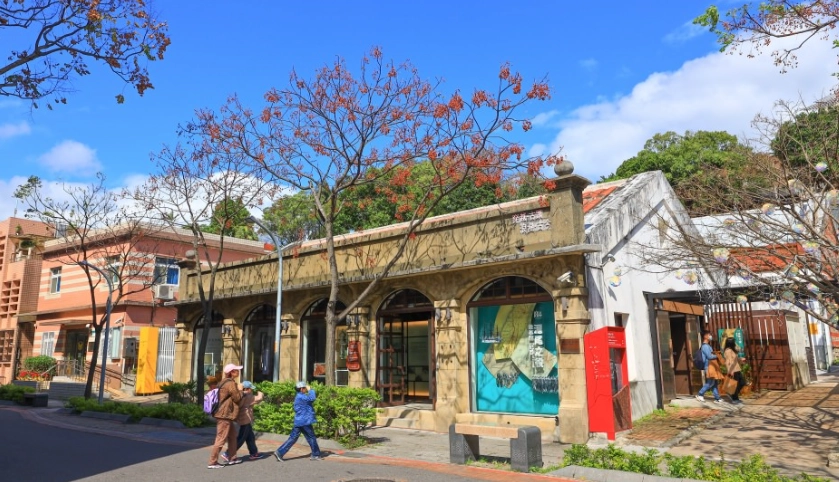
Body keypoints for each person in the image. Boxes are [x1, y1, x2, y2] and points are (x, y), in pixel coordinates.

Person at [274, 381, 323, 462]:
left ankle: (279, 452)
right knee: (311, 437)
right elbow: (312, 398)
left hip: (299, 421)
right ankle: (315, 454)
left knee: (293, 438)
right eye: (304, 388)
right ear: (301, 389)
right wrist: (310, 390)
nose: (306, 389)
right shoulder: (301, 397)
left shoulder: (299, 396)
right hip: (305, 421)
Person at [208, 364, 244, 469]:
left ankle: (232, 458)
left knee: (232, 436)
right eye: (236, 370)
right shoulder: (230, 384)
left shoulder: (223, 382)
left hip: (225, 414)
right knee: (221, 438)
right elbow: (237, 398)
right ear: (231, 372)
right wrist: (240, 390)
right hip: (224, 414)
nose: (238, 372)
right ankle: (212, 462)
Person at [222, 381, 264, 462]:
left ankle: (254, 453)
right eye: (251, 389)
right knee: (241, 438)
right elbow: (259, 398)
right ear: (247, 389)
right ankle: (228, 453)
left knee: (250, 437)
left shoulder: (239, 395)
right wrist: (260, 392)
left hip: (241, 418)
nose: (251, 390)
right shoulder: (247, 396)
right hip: (245, 419)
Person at [695, 332, 724, 404]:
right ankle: (700, 394)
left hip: (711, 366)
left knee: (714, 383)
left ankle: (717, 398)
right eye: (709, 335)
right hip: (708, 366)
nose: (711, 336)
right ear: (705, 336)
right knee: (710, 382)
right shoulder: (705, 346)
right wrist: (718, 355)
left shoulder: (707, 346)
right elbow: (709, 356)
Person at [723, 337, 746, 404]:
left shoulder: (732, 350)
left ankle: (732, 395)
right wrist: (730, 370)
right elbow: (728, 362)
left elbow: (736, 356)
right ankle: (735, 398)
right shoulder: (728, 351)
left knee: (742, 383)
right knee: (735, 385)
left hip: (737, 369)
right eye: (734, 342)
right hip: (733, 370)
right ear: (731, 343)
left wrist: (741, 360)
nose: (735, 343)